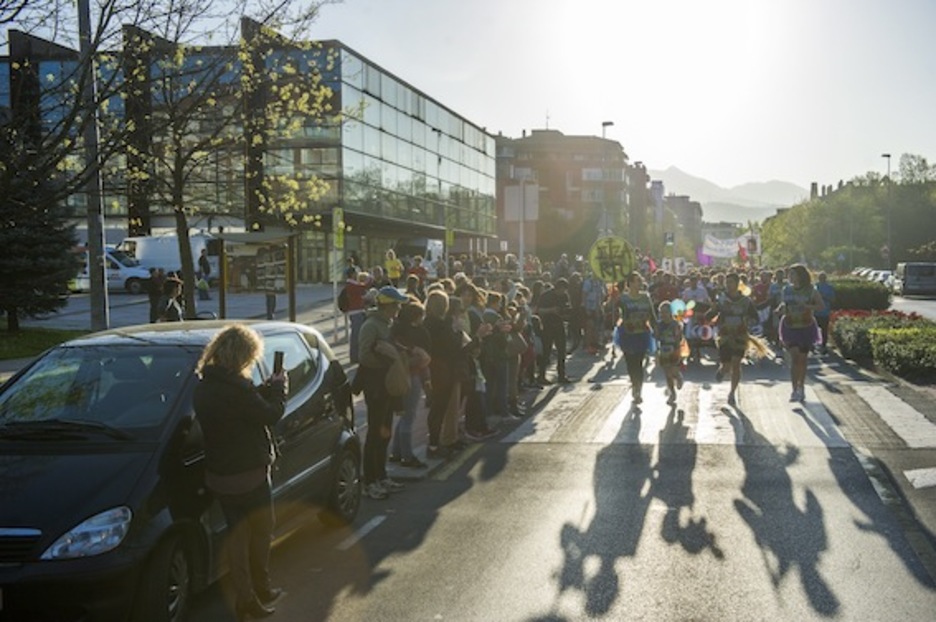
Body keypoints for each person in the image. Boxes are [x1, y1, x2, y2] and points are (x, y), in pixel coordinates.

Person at [192, 324, 287, 620]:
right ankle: (260, 589)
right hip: (250, 475)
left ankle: (247, 596)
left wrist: (261, 391)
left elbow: (238, 411)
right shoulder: (239, 390)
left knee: (237, 538)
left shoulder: (203, 387)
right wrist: (279, 389)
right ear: (243, 355)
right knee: (262, 530)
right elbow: (270, 414)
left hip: (220, 475)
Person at [356, 285, 410, 500]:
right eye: (396, 305)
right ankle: (370, 482)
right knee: (374, 435)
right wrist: (388, 362)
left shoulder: (387, 324)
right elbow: (364, 356)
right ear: (387, 305)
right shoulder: (371, 326)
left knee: (385, 433)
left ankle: (381, 476)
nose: (399, 309)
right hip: (376, 387)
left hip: (387, 386)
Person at [707, 272, 767, 406]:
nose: (728, 285)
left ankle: (732, 393)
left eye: (731, 282)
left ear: (737, 284)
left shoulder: (745, 301)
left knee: (736, 363)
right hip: (725, 335)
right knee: (727, 366)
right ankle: (722, 371)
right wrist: (711, 311)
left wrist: (748, 321)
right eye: (726, 283)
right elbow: (711, 314)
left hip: (740, 335)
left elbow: (755, 317)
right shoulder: (721, 298)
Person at [389, 298, 432, 469]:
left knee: (404, 415)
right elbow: (423, 357)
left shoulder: (396, 331)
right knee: (409, 416)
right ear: (416, 317)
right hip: (413, 376)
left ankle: (396, 451)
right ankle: (407, 456)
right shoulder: (418, 333)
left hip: (398, 376)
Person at [778, 264, 824, 402]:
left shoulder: (811, 290)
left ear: (800, 275)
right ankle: (794, 389)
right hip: (790, 326)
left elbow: (821, 306)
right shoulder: (786, 290)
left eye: (793, 274)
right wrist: (780, 309)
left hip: (806, 326)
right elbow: (784, 304)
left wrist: (807, 306)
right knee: (794, 357)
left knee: (802, 359)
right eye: (789, 274)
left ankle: (801, 386)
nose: (790, 277)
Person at [616, 271, 657, 404]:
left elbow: (652, 315)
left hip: (642, 334)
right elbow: (612, 310)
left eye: (640, 280)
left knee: (639, 363)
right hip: (627, 334)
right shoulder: (623, 298)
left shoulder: (645, 297)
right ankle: (634, 383)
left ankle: (638, 389)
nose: (640, 283)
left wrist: (656, 330)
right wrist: (613, 299)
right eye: (637, 280)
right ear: (630, 283)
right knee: (630, 363)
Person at [536, 277, 573, 384]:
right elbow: (539, 310)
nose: (563, 292)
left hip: (559, 324)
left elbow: (567, 307)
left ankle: (561, 374)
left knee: (562, 351)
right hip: (547, 325)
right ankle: (541, 375)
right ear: (558, 288)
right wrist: (551, 310)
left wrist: (565, 313)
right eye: (562, 290)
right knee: (546, 351)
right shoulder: (546, 296)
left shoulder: (564, 296)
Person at [655, 301, 686, 405]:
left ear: (670, 313)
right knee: (667, 373)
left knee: (673, 371)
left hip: (674, 350)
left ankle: (678, 377)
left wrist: (678, 351)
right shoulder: (659, 325)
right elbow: (656, 338)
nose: (663, 314)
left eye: (665, 312)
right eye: (661, 312)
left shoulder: (675, 324)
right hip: (663, 350)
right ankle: (672, 393)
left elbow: (679, 339)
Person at [815, 272, 836, 354]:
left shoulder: (829, 287)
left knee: (824, 329)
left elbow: (832, 299)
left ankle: (823, 345)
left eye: (823, 277)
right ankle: (814, 344)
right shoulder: (815, 286)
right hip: (815, 312)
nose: (821, 279)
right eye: (820, 277)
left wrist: (824, 296)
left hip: (825, 312)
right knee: (814, 329)